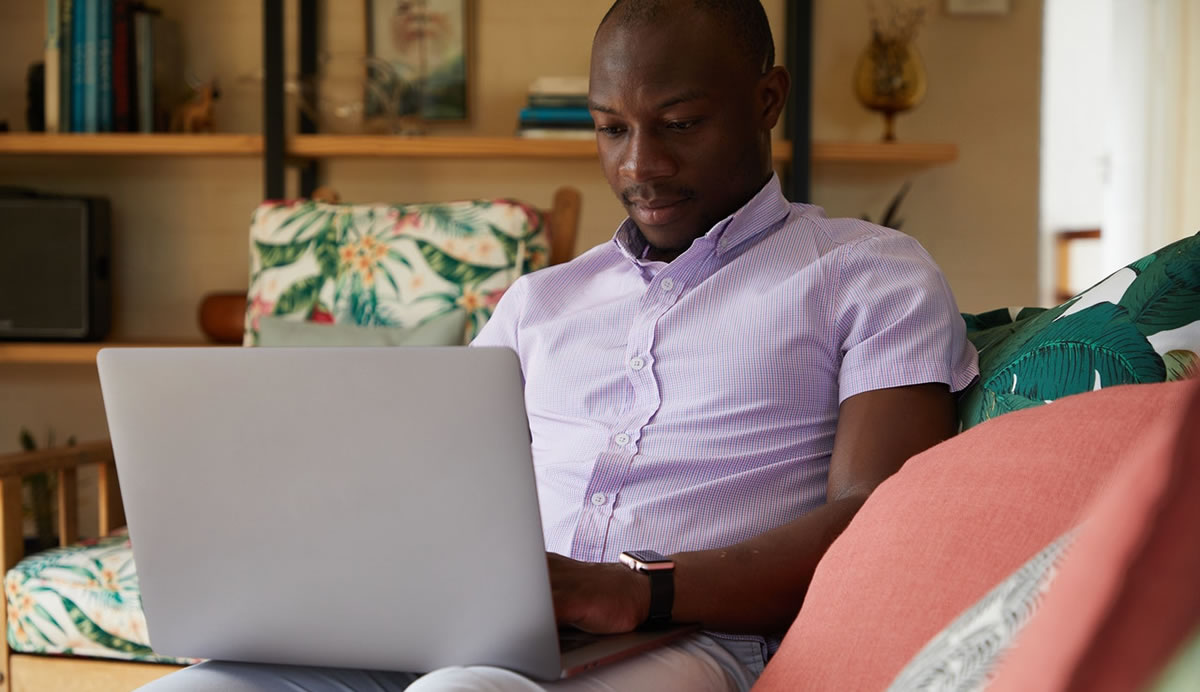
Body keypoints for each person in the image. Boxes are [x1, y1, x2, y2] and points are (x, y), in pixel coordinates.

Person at [140, 1, 976, 690]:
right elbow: (420, 482)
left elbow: (878, 518)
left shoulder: (869, 275)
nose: (640, 163)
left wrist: (634, 593)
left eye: (680, 123)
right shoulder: (542, 301)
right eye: (611, 129)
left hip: (694, 641)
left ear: (766, 100)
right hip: (475, 625)